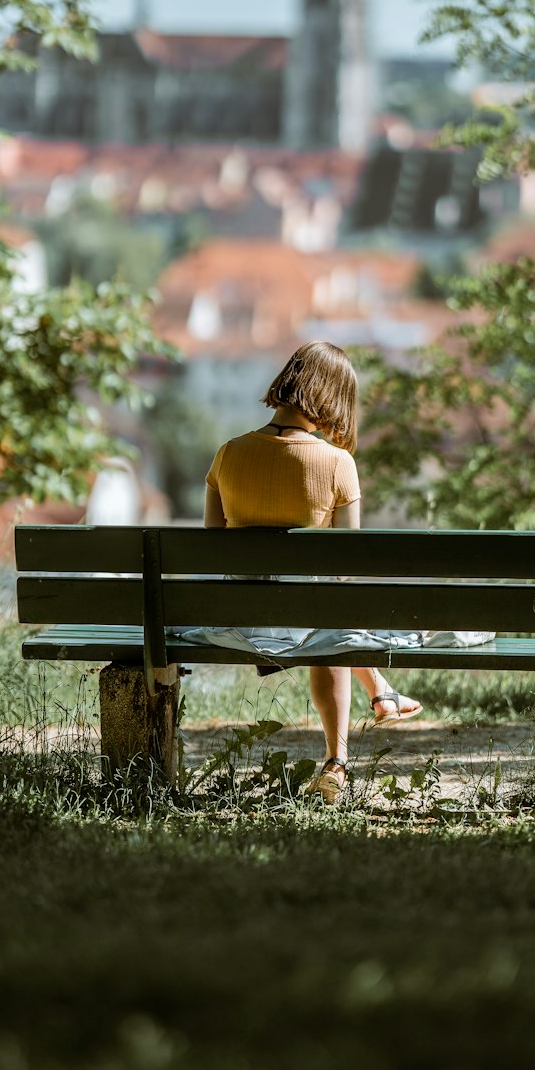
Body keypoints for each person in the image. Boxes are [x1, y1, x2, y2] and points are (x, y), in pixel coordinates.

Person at [204, 340, 423, 804]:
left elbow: (211, 547)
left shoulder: (228, 454)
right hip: (311, 619)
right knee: (329, 607)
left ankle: (380, 696)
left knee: (323, 606)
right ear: (334, 400)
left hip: (240, 617)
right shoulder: (338, 464)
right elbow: (348, 566)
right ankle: (337, 760)